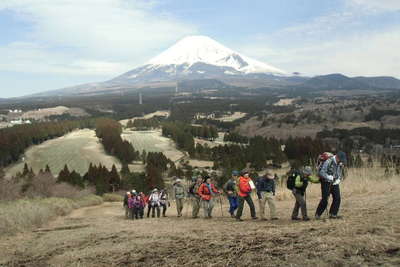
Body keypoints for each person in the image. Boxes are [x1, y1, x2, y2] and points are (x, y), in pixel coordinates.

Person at [315, 151, 347, 219]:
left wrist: (338, 179)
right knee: (325, 199)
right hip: (325, 182)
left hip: (334, 182)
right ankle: (318, 214)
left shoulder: (339, 163)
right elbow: (321, 172)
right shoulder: (328, 161)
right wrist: (329, 177)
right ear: (337, 157)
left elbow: (339, 173)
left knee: (337, 198)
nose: (341, 162)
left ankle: (333, 214)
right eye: (341, 160)